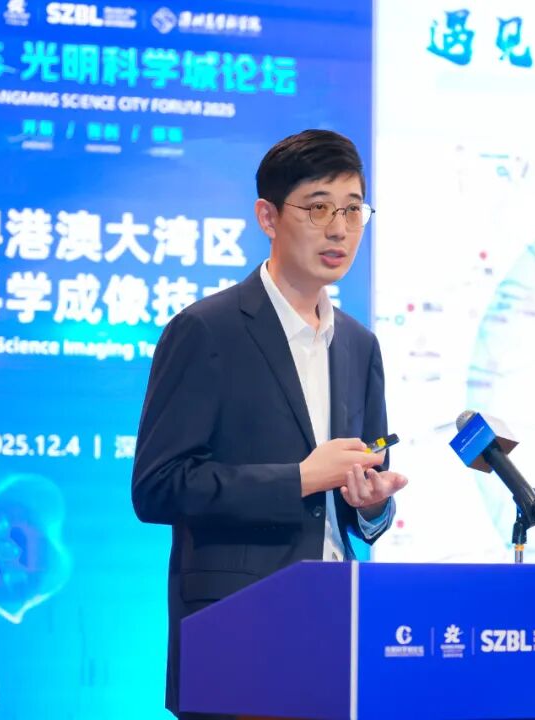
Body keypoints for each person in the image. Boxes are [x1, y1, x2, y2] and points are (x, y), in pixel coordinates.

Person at [131, 129, 408, 718]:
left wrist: (371, 503)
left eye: (353, 210)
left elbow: (360, 512)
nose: (339, 229)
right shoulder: (207, 331)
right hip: (238, 633)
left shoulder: (359, 345)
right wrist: (301, 478)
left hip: (336, 631)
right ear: (268, 216)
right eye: (318, 208)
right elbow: (159, 487)